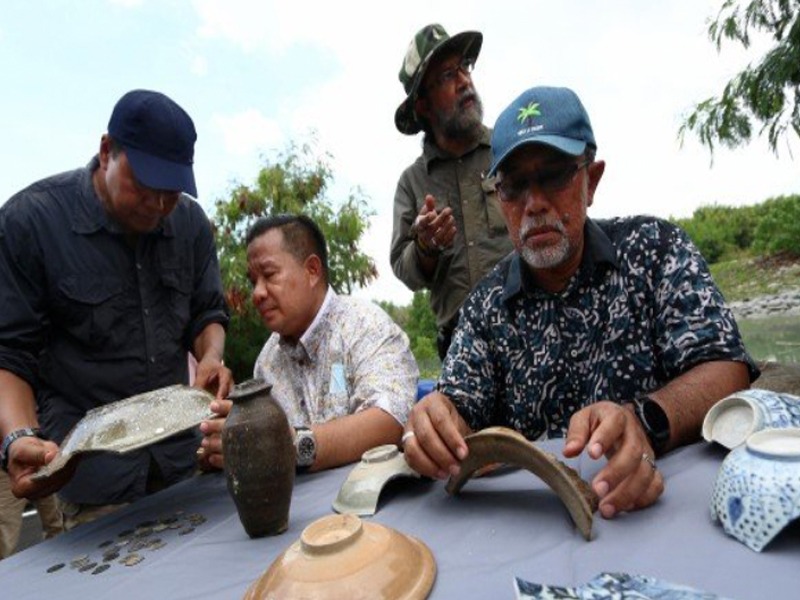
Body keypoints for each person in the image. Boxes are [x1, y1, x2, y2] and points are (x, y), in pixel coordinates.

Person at [402, 85, 758, 519]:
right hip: (536, 523)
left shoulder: (657, 251)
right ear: (500, 199)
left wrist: (643, 421)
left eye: (553, 175)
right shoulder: (483, 307)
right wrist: (435, 421)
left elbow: (726, 365)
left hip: (663, 511)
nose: (534, 204)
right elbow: (456, 404)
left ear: (591, 179)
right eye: (513, 185)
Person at [0, 89, 232, 532]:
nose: (159, 206)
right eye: (146, 187)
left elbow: (208, 312)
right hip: (91, 489)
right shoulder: (30, 224)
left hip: (183, 468)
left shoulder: (190, 225)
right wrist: (18, 436)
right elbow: (9, 354)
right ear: (107, 152)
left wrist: (210, 357)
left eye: (172, 192)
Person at [200, 214, 418, 472]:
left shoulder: (366, 327)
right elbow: (259, 450)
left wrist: (285, 447)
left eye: (269, 275)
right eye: (253, 281)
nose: (257, 293)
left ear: (312, 270)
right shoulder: (267, 363)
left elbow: (389, 421)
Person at [390, 24, 514, 360]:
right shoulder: (413, 182)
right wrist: (426, 247)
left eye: (464, 67)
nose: (464, 81)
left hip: (529, 332)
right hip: (461, 349)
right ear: (423, 106)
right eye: (447, 75)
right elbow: (405, 270)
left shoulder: (509, 150)